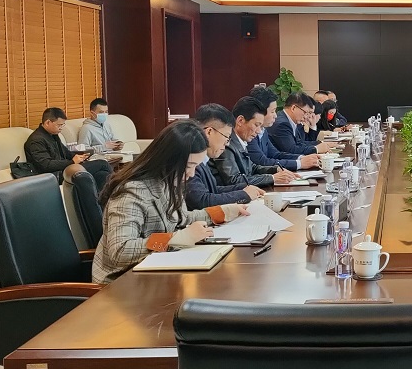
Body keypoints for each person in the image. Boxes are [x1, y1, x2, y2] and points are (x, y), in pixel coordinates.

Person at [92, 120, 249, 284]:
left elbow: (181, 218)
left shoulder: (169, 181)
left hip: (154, 271)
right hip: (121, 282)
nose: (191, 174)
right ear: (168, 160)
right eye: (189, 166)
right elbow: (120, 251)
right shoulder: (132, 191)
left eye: (195, 166)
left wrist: (224, 212)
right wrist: (176, 239)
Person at [186, 103, 265, 210]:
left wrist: (243, 188)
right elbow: (201, 200)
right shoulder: (190, 159)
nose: (227, 143)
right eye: (226, 137)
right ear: (209, 132)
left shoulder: (204, 158)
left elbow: (213, 190)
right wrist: (244, 194)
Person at [211, 97, 299, 188]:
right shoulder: (226, 144)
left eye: (260, 126)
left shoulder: (241, 140)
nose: (258, 131)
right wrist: (272, 178)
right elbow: (234, 180)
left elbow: (252, 168)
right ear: (240, 121)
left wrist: (276, 169)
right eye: (256, 125)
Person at [24, 107, 112, 193]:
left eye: (63, 125)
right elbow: (46, 165)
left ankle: (104, 199)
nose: (61, 128)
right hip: (53, 176)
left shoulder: (52, 135)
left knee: (102, 174)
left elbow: (66, 152)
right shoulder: (36, 140)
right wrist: (72, 162)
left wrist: (80, 157)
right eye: (59, 125)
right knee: (103, 164)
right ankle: (116, 194)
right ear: (48, 122)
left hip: (64, 169)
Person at [247, 85, 320, 171]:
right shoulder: (250, 131)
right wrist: (300, 163)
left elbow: (275, 154)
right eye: (272, 111)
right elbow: (262, 161)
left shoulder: (263, 130)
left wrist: (301, 158)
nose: (275, 115)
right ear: (259, 112)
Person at [269, 92, 334, 155]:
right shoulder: (282, 124)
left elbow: (299, 143)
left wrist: (321, 144)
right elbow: (291, 150)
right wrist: (316, 149)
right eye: (305, 112)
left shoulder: (291, 121)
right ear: (293, 108)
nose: (306, 116)